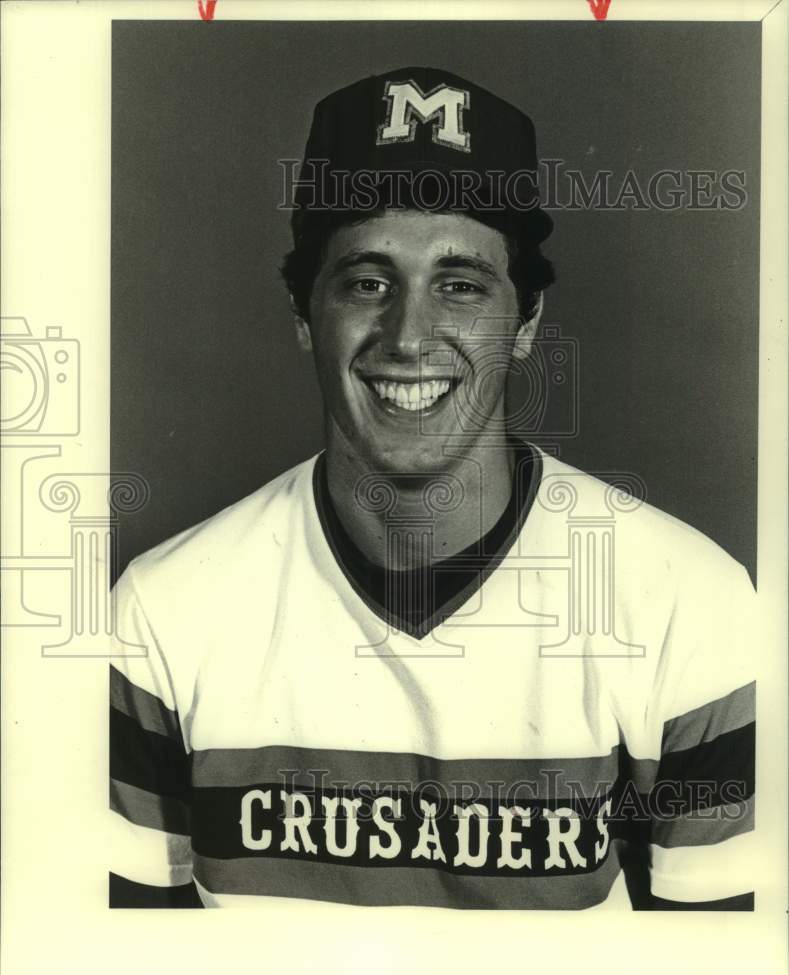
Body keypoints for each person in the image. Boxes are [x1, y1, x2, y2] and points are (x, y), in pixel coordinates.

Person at [109, 67, 755, 910]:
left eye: (459, 286)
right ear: (305, 312)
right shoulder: (162, 613)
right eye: (366, 282)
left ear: (524, 321)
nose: (409, 337)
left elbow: (714, 968)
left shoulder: (686, 603)